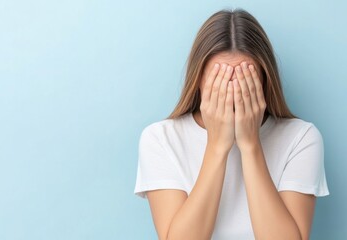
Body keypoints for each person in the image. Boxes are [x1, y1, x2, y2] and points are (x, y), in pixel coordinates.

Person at [133, 8, 330, 240]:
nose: (233, 94)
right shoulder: (160, 139)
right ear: (198, 82)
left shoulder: (302, 138)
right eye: (221, 82)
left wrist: (250, 145)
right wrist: (217, 146)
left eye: (246, 83)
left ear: (264, 82)